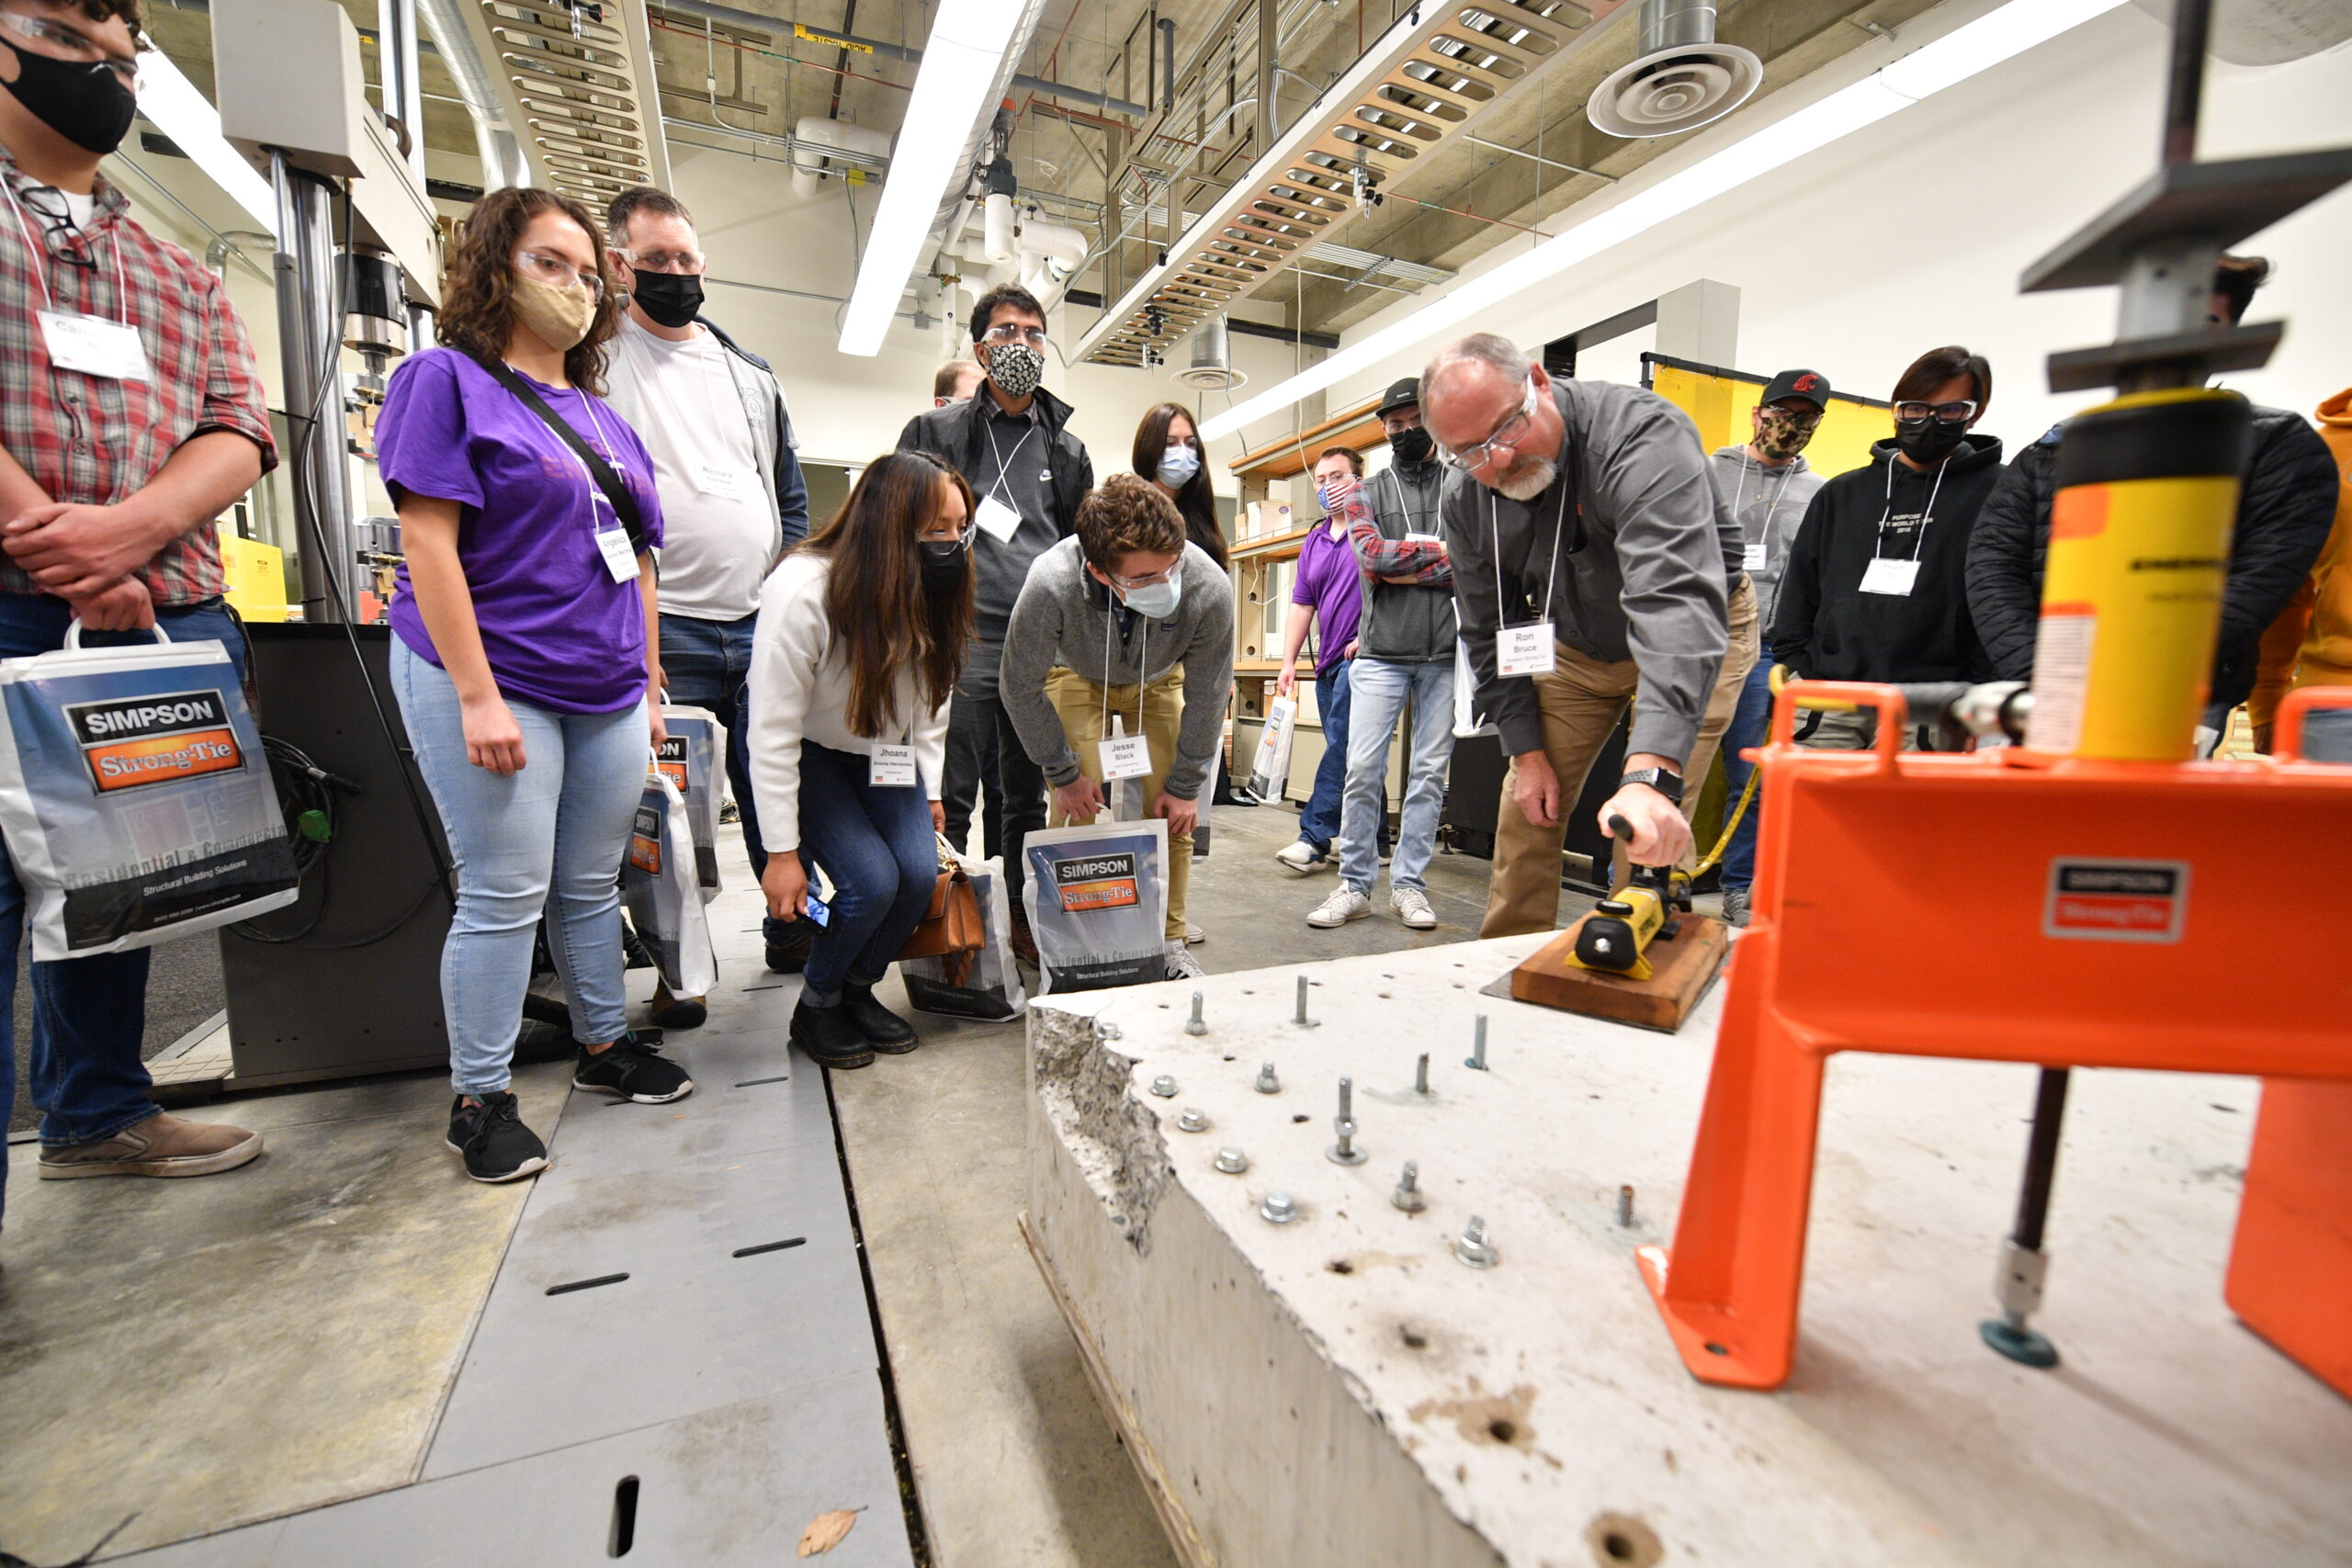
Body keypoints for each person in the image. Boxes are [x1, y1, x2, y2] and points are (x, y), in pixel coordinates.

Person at [0, 0, 277, 1213]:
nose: (105, 73)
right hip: (18, 601)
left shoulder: (174, 267)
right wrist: (60, 542)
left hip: (161, 605)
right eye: (70, 38)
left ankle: (97, 1109)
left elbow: (237, 423)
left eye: (123, 57)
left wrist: (136, 531)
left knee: (130, 882)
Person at [379, 186, 692, 1184]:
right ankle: (482, 1097)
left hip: (603, 686)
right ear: (495, 270)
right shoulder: (444, 381)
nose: (575, 284)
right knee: (505, 893)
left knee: (590, 884)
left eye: (588, 270)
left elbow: (639, 559)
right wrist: (474, 694)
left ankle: (604, 1046)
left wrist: (648, 684)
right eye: (548, 263)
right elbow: (427, 537)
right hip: (491, 673)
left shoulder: (603, 419)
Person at [1425, 333, 1756, 940]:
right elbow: (1484, 627)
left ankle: (1638, 963)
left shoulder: (1642, 435)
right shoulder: (1467, 493)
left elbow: (1673, 599)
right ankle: (1506, 963)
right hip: (1576, 645)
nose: (1496, 461)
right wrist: (1526, 754)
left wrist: (1649, 775)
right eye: (1468, 451)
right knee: (1528, 805)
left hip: (1693, 630)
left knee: (1647, 822)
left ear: (1540, 383)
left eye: (1506, 430)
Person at [1967, 258, 2336, 743]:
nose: (2172, 342)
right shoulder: (2056, 447)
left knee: (2135, 819)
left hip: (2176, 696)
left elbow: (2258, 583)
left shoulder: (2276, 444)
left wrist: (2136, 676)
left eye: (2201, 323)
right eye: (2157, 325)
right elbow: (1991, 562)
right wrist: (2046, 674)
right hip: (2037, 690)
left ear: (2228, 339)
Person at [598, 184, 810, 1017]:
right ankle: (676, 974)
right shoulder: (595, 363)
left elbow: (789, 497)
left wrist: (780, 585)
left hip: (756, 622)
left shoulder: (748, 375)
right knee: (666, 812)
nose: (677, 274)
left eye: (688, 260)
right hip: (661, 627)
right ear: (620, 265)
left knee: (777, 785)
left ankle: (794, 928)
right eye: (657, 261)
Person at [749, 452, 973, 1069]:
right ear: (888, 527)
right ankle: (816, 1004)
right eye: (938, 530)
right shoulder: (803, 590)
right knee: (869, 881)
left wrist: (929, 783)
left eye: (961, 529)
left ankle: (857, 990)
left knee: (913, 876)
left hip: (886, 754)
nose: (954, 544)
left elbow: (934, 698)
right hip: (809, 752)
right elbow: (770, 732)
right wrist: (782, 854)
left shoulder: (934, 584)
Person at [898, 283, 1093, 959]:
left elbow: (1080, 551)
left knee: (1024, 795)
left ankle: (1015, 914)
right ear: (981, 349)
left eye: (1035, 334)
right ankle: (946, 918)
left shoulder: (1067, 451)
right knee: (945, 790)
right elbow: (901, 524)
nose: (1023, 345)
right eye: (1008, 333)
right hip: (960, 638)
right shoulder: (937, 433)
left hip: (1039, 645)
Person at [1000, 476, 1235, 981]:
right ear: (1099, 571)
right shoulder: (1051, 582)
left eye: (1171, 566)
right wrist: (1063, 775)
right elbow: (1019, 684)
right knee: (1078, 809)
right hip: (1077, 672)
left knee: (1172, 812)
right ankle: (1081, 942)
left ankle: (1170, 941)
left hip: (1159, 676)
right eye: (1145, 578)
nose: (1166, 583)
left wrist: (1187, 783)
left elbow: (1211, 691)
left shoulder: (1207, 585)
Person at [1772, 346, 2004, 749]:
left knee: (1907, 814)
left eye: (1949, 410)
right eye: (1914, 409)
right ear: (1896, 409)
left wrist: (1976, 683)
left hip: (1933, 704)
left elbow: (2008, 594)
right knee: (1815, 808)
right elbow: (1800, 588)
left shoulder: (2000, 492)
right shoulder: (1842, 493)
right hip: (1830, 698)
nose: (1928, 422)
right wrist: (1801, 664)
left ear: (1975, 412)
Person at [1305, 377, 1456, 933]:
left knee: (1429, 775)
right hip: (1381, 654)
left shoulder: (1461, 485)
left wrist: (1413, 562)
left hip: (1444, 656)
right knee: (1363, 768)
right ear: (1385, 430)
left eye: (1416, 420)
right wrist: (1441, 559)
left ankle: (1410, 887)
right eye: (1396, 425)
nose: (1407, 431)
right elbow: (1371, 558)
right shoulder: (1367, 493)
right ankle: (1354, 885)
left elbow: (1477, 559)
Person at [1708, 369, 1830, 926]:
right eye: (1782, 412)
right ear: (1757, 413)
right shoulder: (1710, 472)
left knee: (1750, 777)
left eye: (1805, 417)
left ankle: (1738, 885)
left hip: (1766, 654)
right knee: (1668, 766)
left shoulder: (1817, 493)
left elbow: (1815, 577)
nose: (1790, 425)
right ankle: (1646, 876)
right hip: (1699, 645)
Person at [1274, 446, 1370, 874]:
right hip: (1328, 660)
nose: (1328, 485)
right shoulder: (1315, 539)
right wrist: (1288, 661)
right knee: (1354, 747)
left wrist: (1368, 636)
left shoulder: (1371, 529)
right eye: (1320, 479)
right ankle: (1377, 837)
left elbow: (1391, 587)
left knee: (1342, 742)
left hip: (1364, 656)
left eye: (1337, 476)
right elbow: (1302, 603)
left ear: (1359, 479)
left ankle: (1314, 836)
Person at [2248, 386, 2352, 763]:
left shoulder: (2321, 454)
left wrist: (2268, 706)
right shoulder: (2323, 455)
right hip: (2337, 709)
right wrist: (2267, 704)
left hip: (2334, 708)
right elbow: (2285, 585)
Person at [1134, 401, 1227, 569]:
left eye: (1190, 443)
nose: (1183, 452)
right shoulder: (1130, 514)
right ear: (1149, 448)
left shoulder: (1199, 518)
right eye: (1171, 443)